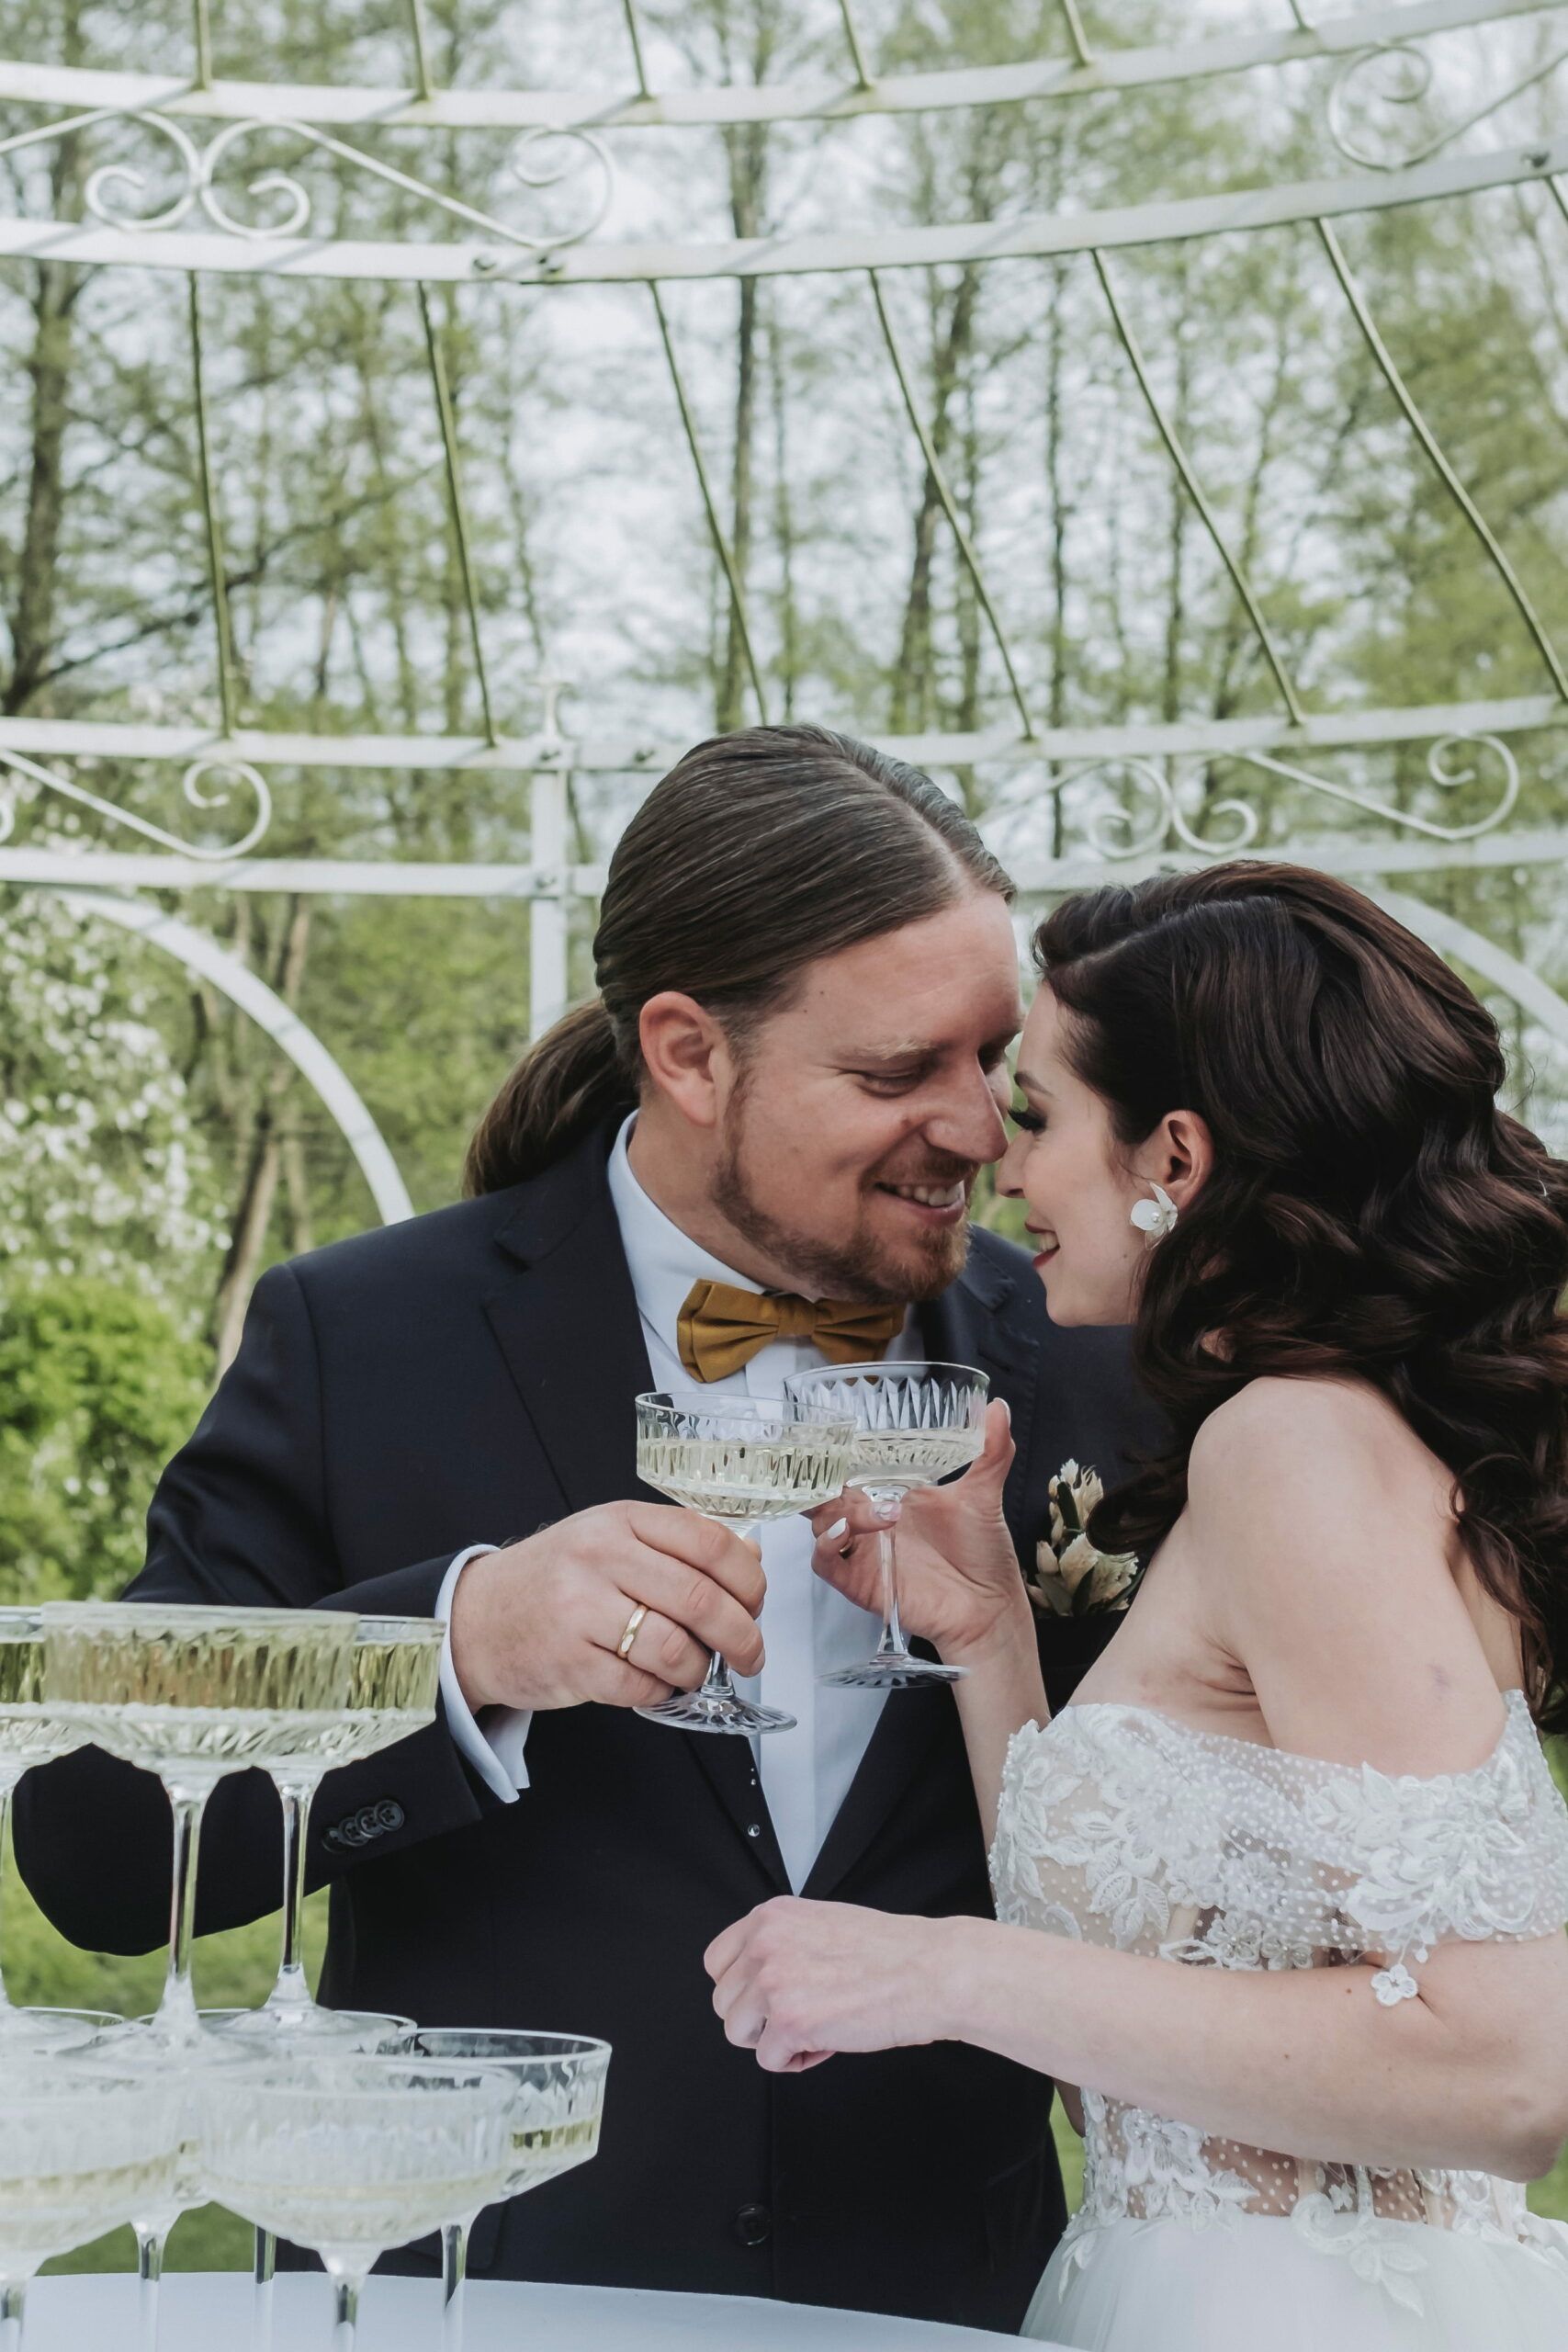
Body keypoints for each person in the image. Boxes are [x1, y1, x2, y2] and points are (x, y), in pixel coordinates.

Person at [16, 725, 1157, 2333]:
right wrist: (460, 1646)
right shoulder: (364, 1337)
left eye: (992, 1059)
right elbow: (98, 1850)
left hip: (945, 2304)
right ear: (690, 1054)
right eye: (900, 1072)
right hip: (472, 2305)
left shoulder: (1102, 1360)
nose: (980, 1128)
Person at [705, 862, 1568, 2351]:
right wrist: (990, 1639)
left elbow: (1505, 2072)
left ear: (1174, 1152)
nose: (1001, 1166)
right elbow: (1176, 1990)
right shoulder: (1305, 1427)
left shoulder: (1295, 1444)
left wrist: (944, 1971)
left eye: (1039, 1115)